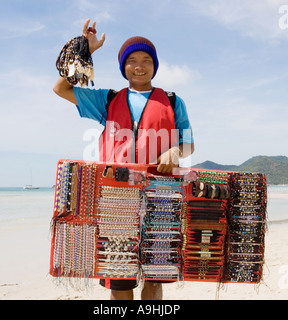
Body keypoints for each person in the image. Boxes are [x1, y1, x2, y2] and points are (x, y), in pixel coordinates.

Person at [53, 19, 195, 300]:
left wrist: (174, 151)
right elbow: (61, 88)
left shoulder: (173, 100)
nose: (139, 66)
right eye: (132, 61)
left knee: (156, 272)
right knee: (121, 276)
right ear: (123, 67)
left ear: (154, 65)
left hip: (162, 193)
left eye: (146, 60)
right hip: (116, 195)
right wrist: (85, 49)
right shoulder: (108, 100)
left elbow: (189, 142)